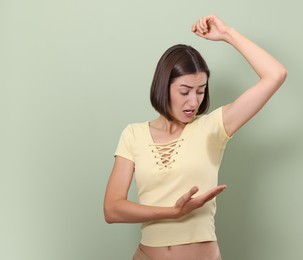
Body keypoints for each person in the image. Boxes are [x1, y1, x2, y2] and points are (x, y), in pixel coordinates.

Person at [104, 14, 287, 260]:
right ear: (163, 86)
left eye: (200, 91)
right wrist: (173, 212)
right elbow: (112, 209)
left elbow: (276, 74)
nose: (194, 101)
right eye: (185, 91)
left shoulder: (213, 127)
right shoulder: (133, 134)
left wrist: (227, 34)